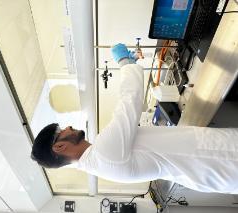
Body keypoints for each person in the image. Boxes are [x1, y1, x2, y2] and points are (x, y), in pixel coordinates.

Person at [31, 44, 238, 194]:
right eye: (61, 131)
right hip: (222, 157)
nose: (67, 126)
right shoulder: (103, 154)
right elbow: (130, 102)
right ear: (59, 147)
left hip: (213, 163)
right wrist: (125, 63)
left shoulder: (99, 161)